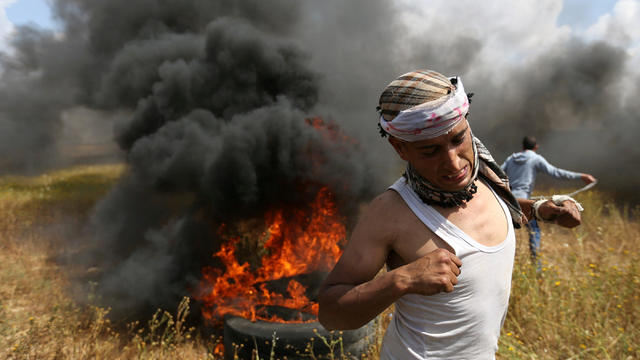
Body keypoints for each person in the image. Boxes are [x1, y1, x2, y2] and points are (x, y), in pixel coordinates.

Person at [317, 69, 582, 359]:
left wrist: (543, 210)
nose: (454, 163)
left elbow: (498, 208)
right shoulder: (391, 212)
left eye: (458, 140)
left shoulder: (485, 179)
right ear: (399, 147)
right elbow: (331, 314)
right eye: (430, 151)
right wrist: (401, 280)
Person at [501, 136, 596, 263]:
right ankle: (537, 266)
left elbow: (497, 173)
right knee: (534, 231)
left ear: (523, 147)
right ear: (536, 147)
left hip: (509, 200)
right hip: (525, 202)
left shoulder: (511, 158)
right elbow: (556, 173)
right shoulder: (535, 158)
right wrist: (582, 176)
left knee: (505, 233)